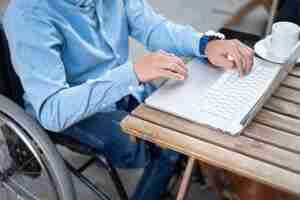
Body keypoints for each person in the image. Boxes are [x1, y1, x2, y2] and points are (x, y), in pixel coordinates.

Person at [3, 0, 253, 199]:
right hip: (71, 110)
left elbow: (153, 28)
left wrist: (204, 44)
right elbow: (52, 110)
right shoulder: (28, 14)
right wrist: (133, 73)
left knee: (187, 116)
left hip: (124, 86)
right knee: (168, 145)